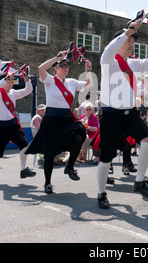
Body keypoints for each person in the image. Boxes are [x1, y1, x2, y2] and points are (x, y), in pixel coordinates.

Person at [97, 20, 148, 209]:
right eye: (128, 40)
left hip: (130, 114)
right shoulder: (108, 61)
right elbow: (108, 50)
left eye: (132, 40)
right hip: (111, 114)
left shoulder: (133, 64)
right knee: (106, 157)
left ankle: (139, 181)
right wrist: (129, 31)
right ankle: (102, 193)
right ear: (119, 42)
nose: (131, 43)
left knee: (147, 139)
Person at [25, 53, 92, 194]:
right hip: (52, 120)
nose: (65, 68)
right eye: (62, 66)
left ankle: (70, 167)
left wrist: (88, 71)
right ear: (55, 68)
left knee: (80, 135)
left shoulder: (71, 82)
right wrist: (56, 57)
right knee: (49, 155)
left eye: (67, 66)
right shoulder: (49, 80)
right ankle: (47, 183)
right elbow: (41, 68)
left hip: (66, 119)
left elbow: (88, 85)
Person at [0, 71, 34, 184]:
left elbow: (28, 90)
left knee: (24, 144)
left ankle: (23, 169)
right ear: (3, 82)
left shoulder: (13, 93)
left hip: (12, 125)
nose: (11, 83)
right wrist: (5, 79)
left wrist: (27, 80)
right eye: (9, 81)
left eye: (12, 81)